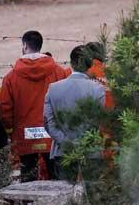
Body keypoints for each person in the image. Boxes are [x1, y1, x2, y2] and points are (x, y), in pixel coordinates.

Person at [0, 31, 68, 182]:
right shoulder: (59, 72)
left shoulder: (11, 77)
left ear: (24, 45)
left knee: (28, 178)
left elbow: (5, 108)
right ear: (40, 46)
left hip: (24, 135)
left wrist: (11, 132)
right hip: (53, 134)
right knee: (57, 179)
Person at [44, 44, 108, 181]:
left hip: (62, 151)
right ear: (90, 63)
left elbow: (48, 124)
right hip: (91, 151)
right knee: (92, 194)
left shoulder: (54, 88)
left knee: (62, 195)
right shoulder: (98, 89)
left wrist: (66, 142)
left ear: (72, 63)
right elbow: (99, 121)